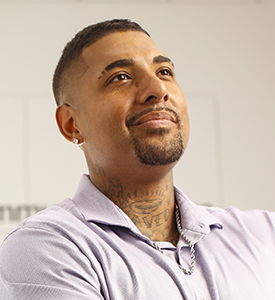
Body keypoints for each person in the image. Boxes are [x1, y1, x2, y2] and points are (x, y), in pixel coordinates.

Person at [0, 19, 275, 300]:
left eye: (165, 71)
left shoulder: (264, 233)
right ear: (72, 124)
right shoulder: (48, 248)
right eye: (120, 77)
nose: (157, 89)